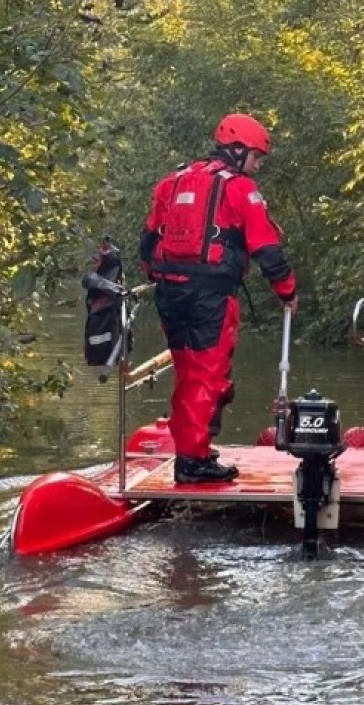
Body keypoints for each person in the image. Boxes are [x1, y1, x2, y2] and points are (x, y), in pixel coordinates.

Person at [138, 112, 298, 484]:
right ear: (237, 149)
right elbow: (266, 247)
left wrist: (159, 276)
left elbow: (147, 242)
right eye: (256, 157)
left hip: (169, 293)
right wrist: (287, 291)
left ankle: (192, 450)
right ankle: (193, 462)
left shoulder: (172, 181)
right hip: (211, 296)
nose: (257, 165)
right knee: (208, 377)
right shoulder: (240, 189)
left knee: (187, 374)